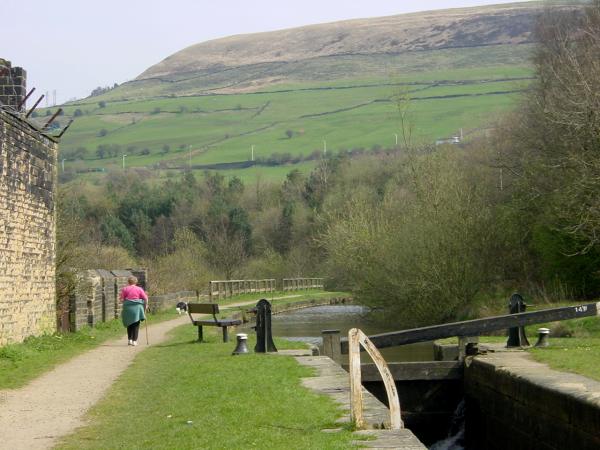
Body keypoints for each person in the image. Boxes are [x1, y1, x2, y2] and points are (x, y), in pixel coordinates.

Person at [119, 276, 148, 346]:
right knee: (136, 324)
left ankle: (129, 340)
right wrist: (146, 305)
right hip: (137, 308)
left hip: (127, 308)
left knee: (129, 324)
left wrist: (127, 301)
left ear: (128, 282)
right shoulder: (139, 289)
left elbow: (121, 299)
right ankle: (134, 341)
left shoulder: (124, 289)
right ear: (136, 282)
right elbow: (145, 298)